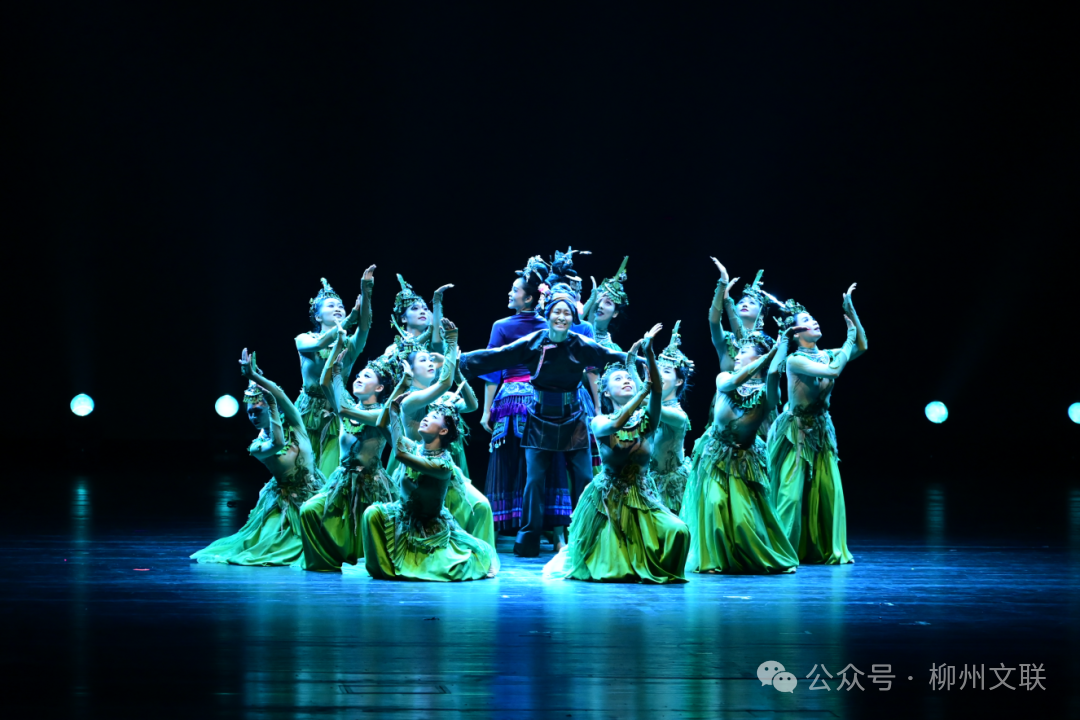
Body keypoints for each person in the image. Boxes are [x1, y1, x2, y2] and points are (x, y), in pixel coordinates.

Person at [459, 288, 637, 556]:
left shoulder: (580, 343)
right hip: (540, 416)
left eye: (567, 313)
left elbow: (610, 356)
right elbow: (499, 355)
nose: (562, 317)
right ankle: (528, 537)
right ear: (548, 315)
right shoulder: (534, 342)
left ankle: (586, 534)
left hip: (573, 416)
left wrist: (644, 360)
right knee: (534, 480)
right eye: (557, 312)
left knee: (585, 478)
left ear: (572, 318)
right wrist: (460, 360)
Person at [543, 327, 690, 583]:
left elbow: (656, 393)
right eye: (618, 379)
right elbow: (615, 424)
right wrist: (642, 392)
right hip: (607, 500)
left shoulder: (648, 419)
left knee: (679, 531)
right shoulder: (599, 421)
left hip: (642, 496)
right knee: (613, 568)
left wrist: (649, 352)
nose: (626, 380)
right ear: (606, 392)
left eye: (629, 378)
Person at [681, 326, 802, 574]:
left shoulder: (768, 394)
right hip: (715, 453)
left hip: (744, 457)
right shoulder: (724, 378)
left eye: (744, 351)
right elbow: (735, 382)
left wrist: (781, 346)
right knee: (715, 503)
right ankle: (714, 560)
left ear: (759, 357)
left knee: (742, 518)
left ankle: (743, 557)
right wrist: (769, 356)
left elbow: (773, 375)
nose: (736, 355)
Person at [191, 350, 323, 566]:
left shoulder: (296, 423)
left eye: (257, 411)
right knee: (270, 546)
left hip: (316, 495)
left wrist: (254, 376)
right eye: (249, 412)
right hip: (285, 503)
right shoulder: (257, 446)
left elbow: (279, 394)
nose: (252, 416)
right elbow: (278, 444)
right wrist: (271, 406)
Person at [768, 285, 867, 565]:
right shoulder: (795, 360)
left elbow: (862, 347)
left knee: (826, 492)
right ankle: (780, 551)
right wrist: (848, 339)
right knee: (791, 496)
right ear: (795, 333)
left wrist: (851, 313)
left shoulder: (825, 354)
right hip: (796, 431)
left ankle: (817, 547)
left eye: (813, 318)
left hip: (821, 430)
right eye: (806, 321)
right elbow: (834, 370)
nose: (814, 321)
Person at [361, 396, 499, 582]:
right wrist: (394, 400)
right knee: (372, 513)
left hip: (428, 526)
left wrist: (395, 413)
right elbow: (380, 424)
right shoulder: (415, 448)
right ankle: (386, 568)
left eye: (433, 417)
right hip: (403, 516)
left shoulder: (442, 465)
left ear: (443, 431)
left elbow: (400, 454)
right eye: (427, 415)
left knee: (448, 568)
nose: (426, 418)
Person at [298, 325, 399, 572]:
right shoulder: (348, 408)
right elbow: (324, 383)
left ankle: (375, 565)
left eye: (366, 377)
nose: (358, 378)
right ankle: (324, 563)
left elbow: (343, 408)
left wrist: (337, 374)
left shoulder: (381, 414)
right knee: (309, 510)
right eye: (358, 375)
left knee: (371, 525)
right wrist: (335, 359)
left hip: (371, 484)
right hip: (342, 481)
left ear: (379, 388)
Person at [391, 319, 494, 548]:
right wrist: (451, 343)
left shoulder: (442, 398)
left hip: (444, 466)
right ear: (409, 370)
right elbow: (444, 384)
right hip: (419, 471)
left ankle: (481, 555)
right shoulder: (410, 400)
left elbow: (471, 405)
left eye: (430, 360)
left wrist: (457, 374)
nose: (429, 363)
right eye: (422, 360)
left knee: (481, 506)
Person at [294, 273, 373, 478]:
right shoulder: (304, 339)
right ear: (318, 317)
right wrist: (349, 320)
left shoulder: (350, 345)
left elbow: (364, 326)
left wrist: (366, 291)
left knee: (331, 470)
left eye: (340, 305)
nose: (338, 308)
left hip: (338, 408)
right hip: (308, 410)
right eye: (330, 306)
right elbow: (320, 343)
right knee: (302, 469)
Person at [645, 320, 695, 514]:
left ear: (679, 381)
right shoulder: (648, 406)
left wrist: (647, 353)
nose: (659, 374)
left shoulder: (678, 416)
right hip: (648, 479)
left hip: (670, 487)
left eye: (665, 371)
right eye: (657, 369)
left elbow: (651, 403)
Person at [581, 256, 629, 352]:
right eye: (599, 299)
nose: (600, 305)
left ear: (615, 313)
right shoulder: (573, 330)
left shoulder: (612, 350)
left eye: (608, 302)